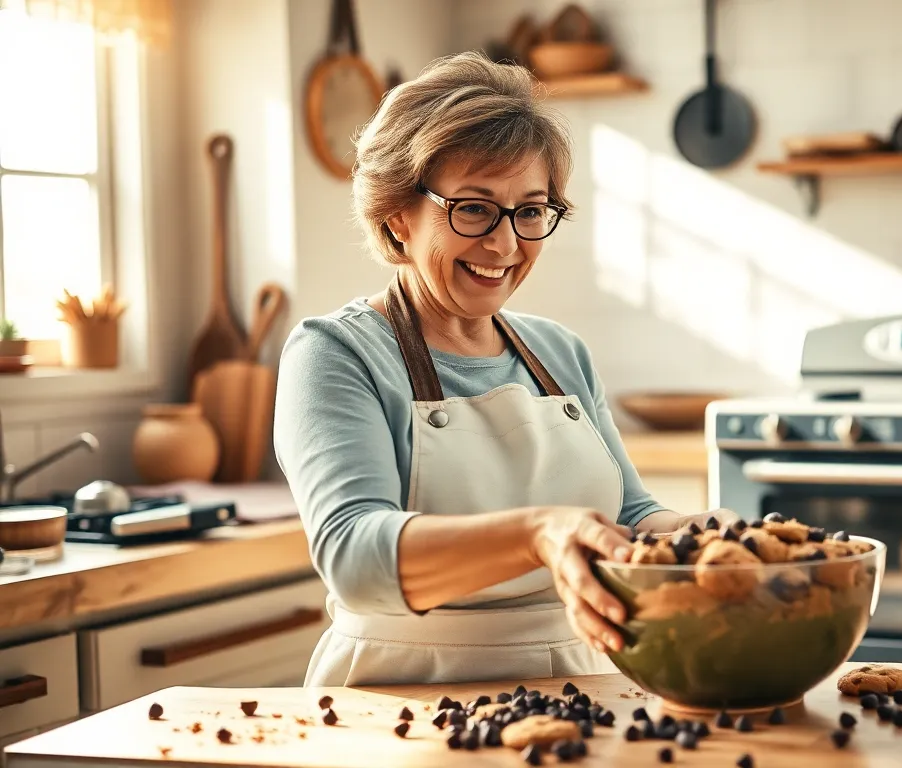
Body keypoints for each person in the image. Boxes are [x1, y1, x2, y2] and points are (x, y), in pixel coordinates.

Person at [274, 52, 732, 687]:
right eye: (473, 208)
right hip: (403, 698)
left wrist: (703, 535)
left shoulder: (558, 352)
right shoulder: (336, 354)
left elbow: (629, 515)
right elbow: (354, 556)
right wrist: (537, 534)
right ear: (397, 214)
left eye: (531, 210)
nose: (506, 244)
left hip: (587, 681)